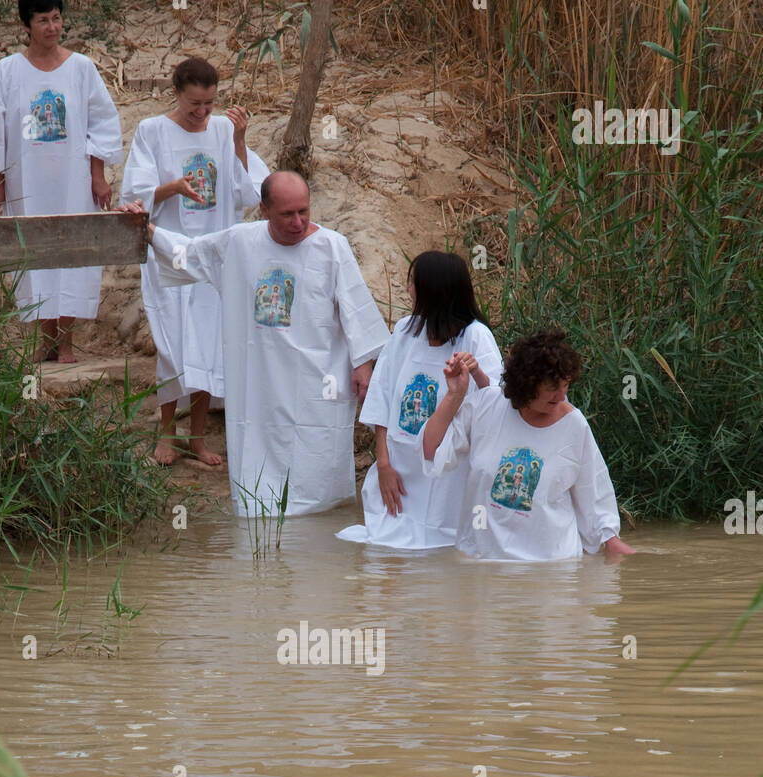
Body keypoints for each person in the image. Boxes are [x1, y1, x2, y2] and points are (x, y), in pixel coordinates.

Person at [121, 170, 390, 516]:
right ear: (263, 209)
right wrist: (146, 227)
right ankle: (259, 515)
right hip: (258, 376)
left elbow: (356, 309)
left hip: (318, 376)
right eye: (287, 214)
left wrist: (362, 365)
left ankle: (319, 517)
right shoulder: (239, 242)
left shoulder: (332, 246)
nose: (298, 222)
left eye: (304, 212)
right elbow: (186, 254)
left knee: (316, 456)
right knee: (259, 465)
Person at [120, 56, 270, 466]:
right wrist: (173, 188)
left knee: (211, 343)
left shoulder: (224, 130)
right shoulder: (152, 131)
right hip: (169, 254)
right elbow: (132, 196)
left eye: (209, 103)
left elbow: (249, 195)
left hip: (215, 255)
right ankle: (167, 434)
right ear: (176, 94)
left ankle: (199, 438)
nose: (202, 113)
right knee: (172, 345)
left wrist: (239, 140)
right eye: (194, 105)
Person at [0, 0, 122, 363]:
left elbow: (100, 122)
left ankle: (67, 342)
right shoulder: (7, 71)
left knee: (70, 252)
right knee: (34, 253)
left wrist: (98, 176)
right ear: (27, 25)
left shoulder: (81, 68)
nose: (52, 27)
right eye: (43, 20)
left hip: (73, 180)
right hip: (28, 180)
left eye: (56, 19)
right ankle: (45, 339)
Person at [422, 327, 636, 560]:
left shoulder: (574, 426)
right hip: (481, 563)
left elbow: (594, 493)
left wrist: (615, 545)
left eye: (565, 385)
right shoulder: (487, 405)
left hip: (549, 571)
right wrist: (455, 394)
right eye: (553, 388)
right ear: (527, 384)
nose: (562, 395)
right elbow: (432, 451)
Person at [337, 250, 503, 549]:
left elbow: (496, 402)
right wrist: (384, 465)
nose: (409, 289)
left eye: (414, 282)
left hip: (449, 473)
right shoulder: (405, 330)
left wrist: (475, 372)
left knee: (443, 548)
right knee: (386, 547)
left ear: (432, 291)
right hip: (400, 468)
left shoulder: (476, 337)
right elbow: (382, 400)